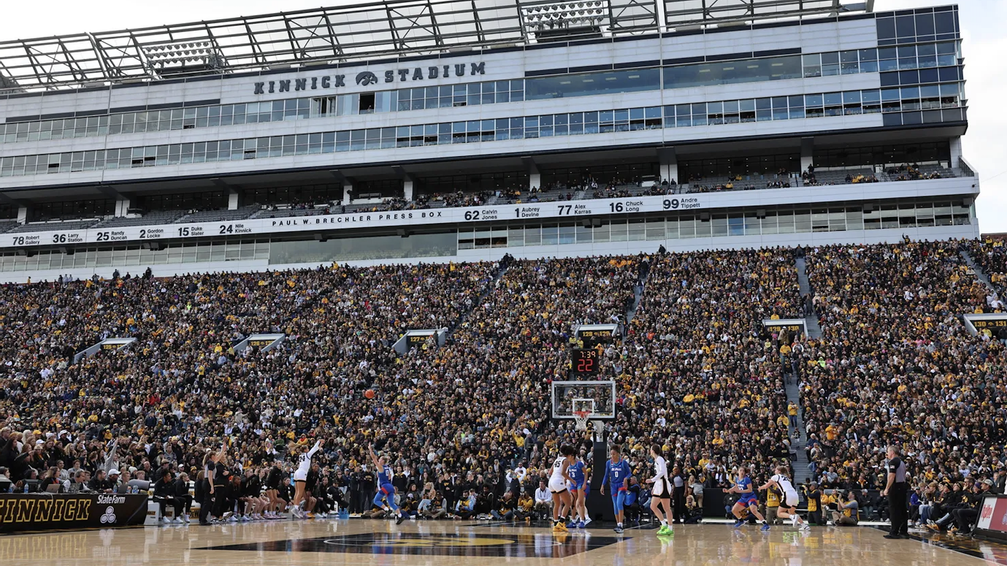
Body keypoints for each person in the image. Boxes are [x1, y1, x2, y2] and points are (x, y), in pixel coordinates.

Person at [760, 466, 810, 531]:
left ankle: (792, 517)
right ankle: (804, 525)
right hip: (795, 495)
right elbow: (779, 487)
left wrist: (760, 488)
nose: (774, 471)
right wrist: (773, 483)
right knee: (791, 511)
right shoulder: (786, 478)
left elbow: (766, 486)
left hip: (787, 494)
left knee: (779, 513)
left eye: (775, 470)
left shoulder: (776, 476)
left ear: (779, 471)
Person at [369, 444, 407, 525]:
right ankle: (400, 516)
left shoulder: (381, 467)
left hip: (385, 486)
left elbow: (373, 458)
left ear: (382, 461)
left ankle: (387, 510)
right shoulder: (387, 468)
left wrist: (370, 449)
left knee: (376, 500)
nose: (378, 460)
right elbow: (389, 477)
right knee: (392, 503)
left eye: (380, 459)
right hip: (390, 486)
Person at [724, 466, 770, 531]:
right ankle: (740, 520)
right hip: (744, 498)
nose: (742, 472)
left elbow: (750, 490)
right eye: (740, 470)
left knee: (753, 510)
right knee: (734, 510)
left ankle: (765, 524)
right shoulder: (737, 479)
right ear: (738, 472)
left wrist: (740, 491)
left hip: (751, 497)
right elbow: (735, 487)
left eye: (743, 471)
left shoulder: (747, 479)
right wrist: (728, 490)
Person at [600, 444, 632, 534]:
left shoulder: (623, 462)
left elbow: (629, 473)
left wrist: (626, 478)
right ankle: (618, 524)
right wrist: (602, 485)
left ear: (618, 454)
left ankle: (621, 524)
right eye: (611, 454)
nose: (612, 456)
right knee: (615, 506)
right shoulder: (608, 463)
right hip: (613, 485)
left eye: (613, 454)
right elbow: (606, 475)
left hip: (621, 485)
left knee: (619, 503)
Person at [291, 438, 323, 519]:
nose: (308, 450)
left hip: (297, 472)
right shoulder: (307, 454)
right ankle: (295, 508)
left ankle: (296, 508)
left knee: (297, 492)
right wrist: (319, 441)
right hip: (302, 473)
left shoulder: (300, 455)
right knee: (300, 492)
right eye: (307, 449)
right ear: (305, 450)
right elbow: (314, 448)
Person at [645, 443, 673, 536]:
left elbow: (662, 472)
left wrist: (652, 480)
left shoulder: (660, 459)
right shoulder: (656, 460)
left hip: (663, 484)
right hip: (658, 485)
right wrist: (654, 487)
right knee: (653, 506)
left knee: (666, 508)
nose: (650, 451)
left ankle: (670, 528)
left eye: (650, 449)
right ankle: (663, 524)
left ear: (653, 451)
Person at [882, 445, 909, 539]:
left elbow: (891, 476)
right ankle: (903, 531)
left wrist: (887, 488)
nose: (887, 454)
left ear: (892, 452)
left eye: (888, 452)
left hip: (896, 487)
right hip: (902, 486)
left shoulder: (893, 461)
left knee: (894, 509)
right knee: (902, 510)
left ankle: (894, 532)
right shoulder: (902, 462)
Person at [548, 444, 576, 533]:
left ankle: (555, 524)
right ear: (569, 454)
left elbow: (550, 472)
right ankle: (561, 522)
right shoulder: (566, 460)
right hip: (557, 480)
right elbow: (563, 473)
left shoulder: (557, 459)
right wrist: (572, 480)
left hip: (551, 482)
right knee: (568, 502)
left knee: (557, 504)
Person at [567, 452, 589, 528]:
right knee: (572, 502)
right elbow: (566, 473)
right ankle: (573, 521)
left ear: (572, 456)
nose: (567, 457)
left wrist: (584, 483)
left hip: (580, 483)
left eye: (568, 455)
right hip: (573, 484)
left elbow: (586, 473)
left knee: (580, 502)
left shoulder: (579, 463)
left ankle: (582, 520)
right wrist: (567, 480)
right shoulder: (568, 464)